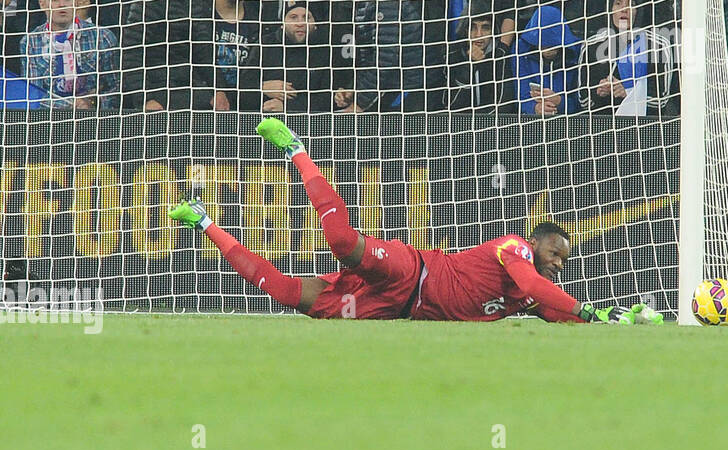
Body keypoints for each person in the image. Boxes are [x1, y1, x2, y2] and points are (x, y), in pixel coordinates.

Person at [169, 118, 661, 324]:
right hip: (412, 270)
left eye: (563, 260)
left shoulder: (527, 295)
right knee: (342, 241)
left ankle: (205, 221)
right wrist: (591, 310)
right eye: (557, 252)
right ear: (535, 241)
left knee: (292, 297)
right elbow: (538, 281)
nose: (558, 263)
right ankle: (298, 151)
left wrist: (615, 318)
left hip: (395, 309)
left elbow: (554, 308)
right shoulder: (516, 250)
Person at [20, 0, 119, 110]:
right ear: (42, 4)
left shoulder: (103, 37)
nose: (62, 5)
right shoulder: (30, 42)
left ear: (76, 3)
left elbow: (117, 89)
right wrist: (69, 106)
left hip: (95, 118)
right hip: (49, 120)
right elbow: (33, 93)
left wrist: (93, 103)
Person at [578, 0, 676, 114]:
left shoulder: (658, 45)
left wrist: (629, 93)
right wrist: (599, 93)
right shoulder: (591, 46)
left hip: (645, 126)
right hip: (603, 124)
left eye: (631, 4)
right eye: (618, 3)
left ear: (638, 11)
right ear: (610, 10)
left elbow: (662, 100)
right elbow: (583, 101)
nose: (624, 9)